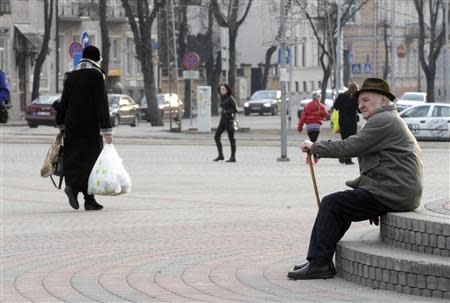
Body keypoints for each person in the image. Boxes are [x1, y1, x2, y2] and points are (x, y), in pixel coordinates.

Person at [287, 78, 423, 280]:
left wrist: (316, 147)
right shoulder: (387, 119)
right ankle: (319, 259)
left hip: (394, 191)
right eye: (359, 102)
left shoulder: (383, 121)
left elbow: (350, 146)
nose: (361, 106)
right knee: (341, 208)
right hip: (396, 189)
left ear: (383, 101)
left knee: (331, 204)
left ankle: (320, 263)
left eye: (366, 100)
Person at [56, 45, 113, 211]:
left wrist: (60, 124)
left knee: (74, 158)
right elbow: (101, 104)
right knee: (91, 161)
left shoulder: (72, 76)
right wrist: (107, 130)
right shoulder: (97, 75)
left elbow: (63, 101)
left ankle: (73, 187)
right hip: (90, 126)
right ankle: (89, 199)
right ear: (96, 59)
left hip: (72, 125)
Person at [297, 91, 330, 164]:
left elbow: (303, 117)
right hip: (316, 127)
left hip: (309, 127)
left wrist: (300, 127)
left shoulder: (307, 106)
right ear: (319, 98)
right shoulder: (321, 106)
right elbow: (327, 115)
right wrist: (322, 116)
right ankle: (313, 157)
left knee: (312, 142)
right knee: (313, 143)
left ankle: (312, 157)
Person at [333, 82, 359, 165]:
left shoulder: (341, 96)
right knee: (351, 141)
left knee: (344, 140)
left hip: (343, 121)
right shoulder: (355, 98)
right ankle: (347, 159)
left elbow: (336, 106)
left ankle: (342, 155)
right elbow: (359, 110)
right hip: (352, 122)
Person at [213, 83, 238, 162]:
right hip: (223, 120)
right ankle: (220, 155)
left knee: (231, 139)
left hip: (229, 120)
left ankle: (233, 157)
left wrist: (227, 112)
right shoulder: (222, 98)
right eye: (221, 89)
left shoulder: (230, 98)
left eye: (223, 89)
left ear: (227, 90)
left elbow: (235, 109)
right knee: (216, 136)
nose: (222, 90)